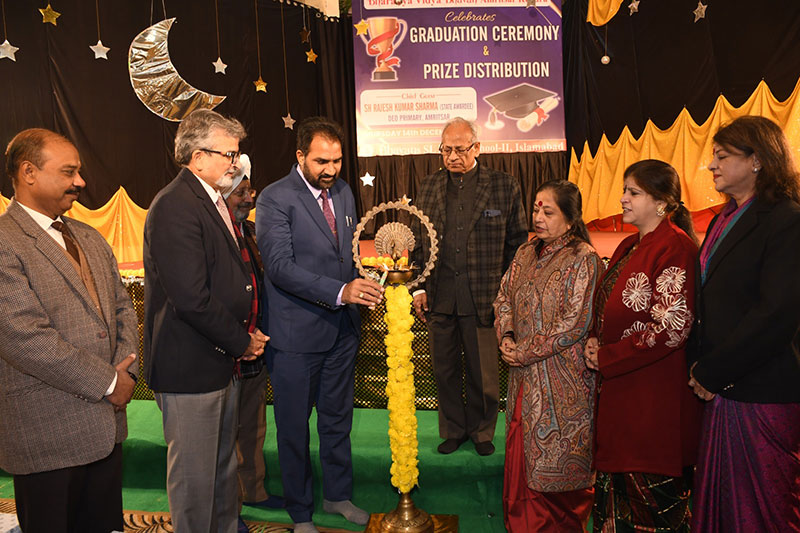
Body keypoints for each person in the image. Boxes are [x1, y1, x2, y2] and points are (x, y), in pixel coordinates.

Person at [0, 128, 139, 532]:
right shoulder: (5, 241)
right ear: (28, 172)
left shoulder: (88, 236)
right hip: (46, 435)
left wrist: (126, 371)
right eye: (68, 172)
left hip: (105, 430)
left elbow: (123, 308)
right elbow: (23, 337)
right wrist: (109, 381)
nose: (80, 181)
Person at [255, 116, 383, 533]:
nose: (331, 170)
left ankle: (338, 495)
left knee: (337, 421)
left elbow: (346, 255)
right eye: (321, 161)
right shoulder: (275, 198)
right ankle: (300, 512)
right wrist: (341, 291)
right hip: (294, 338)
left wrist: (366, 283)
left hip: (341, 333)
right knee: (294, 430)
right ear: (300, 156)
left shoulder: (343, 191)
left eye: (337, 161)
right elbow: (279, 267)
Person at [143, 109, 269, 533]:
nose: (236, 163)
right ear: (198, 157)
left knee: (220, 472)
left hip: (218, 362)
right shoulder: (175, 205)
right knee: (196, 484)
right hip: (190, 368)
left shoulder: (210, 199)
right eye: (229, 154)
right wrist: (242, 341)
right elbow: (191, 298)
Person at [687, 116, 800, 532]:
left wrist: (712, 372)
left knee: (763, 512)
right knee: (724, 506)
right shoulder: (724, 218)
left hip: (761, 390)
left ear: (757, 160)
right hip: (722, 389)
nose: (711, 165)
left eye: (722, 156)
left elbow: (777, 314)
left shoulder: (786, 219)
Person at [585, 160, 703, 532]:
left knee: (654, 514)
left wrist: (607, 356)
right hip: (621, 398)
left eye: (633, 192)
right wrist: (595, 339)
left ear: (662, 202)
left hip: (653, 404)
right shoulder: (629, 244)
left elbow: (671, 328)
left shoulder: (675, 247)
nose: (622, 198)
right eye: (625, 190)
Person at [411, 117, 528, 456]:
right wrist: (418, 288)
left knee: (483, 372)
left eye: (460, 150)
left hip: (484, 296)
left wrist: (507, 295)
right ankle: (452, 429)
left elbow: (517, 246)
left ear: (477, 148)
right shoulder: (428, 186)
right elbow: (417, 241)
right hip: (439, 295)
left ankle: (481, 431)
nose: (452, 157)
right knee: (444, 370)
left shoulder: (504, 186)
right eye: (446, 150)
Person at [493, 180, 601, 532]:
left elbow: (574, 323)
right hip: (523, 377)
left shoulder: (583, 258)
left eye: (548, 212)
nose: (538, 217)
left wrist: (523, 351)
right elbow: (503, 297)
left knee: (555, 455)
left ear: (570, 219)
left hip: (562, 381)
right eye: (537, 208)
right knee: (521, 444)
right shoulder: (526, 252)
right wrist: (507, 335)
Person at [222, 155, 286, 531]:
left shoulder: (248, 230)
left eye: (250, 191)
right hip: (228, 350)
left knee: (253, 427)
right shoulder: (217, 232)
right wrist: (238, 339)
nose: (249, 198)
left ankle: (255, 491)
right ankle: (229, 510)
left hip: (255, 349)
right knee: (226, 435)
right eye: (241, 192)